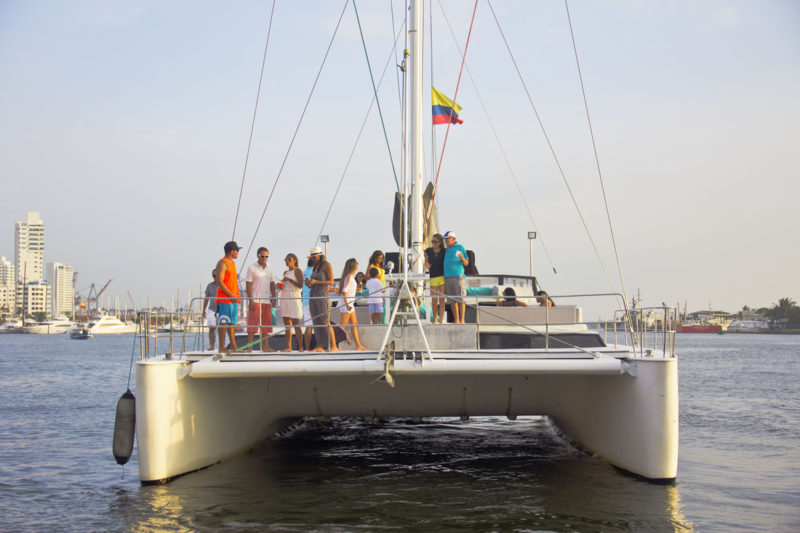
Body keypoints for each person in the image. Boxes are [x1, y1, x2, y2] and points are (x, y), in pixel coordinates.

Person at [306, 247, 337, 352]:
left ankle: (333, 345)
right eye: (312, 257)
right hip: (313, 295)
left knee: (325, 321)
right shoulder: (315, 267)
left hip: (322, 296)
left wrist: (316, 282)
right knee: (316, 321)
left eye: (314, 257)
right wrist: (309, 283)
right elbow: (314, 282)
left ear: (319, 256)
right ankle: (320, 345)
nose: (313, 259)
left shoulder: (326, 265)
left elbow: (331, 281)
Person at [245, 247, 276, 352]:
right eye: (262, 256)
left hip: (267, 300)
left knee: (266, 326)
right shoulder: (251, 268)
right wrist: (250, 300)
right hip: (255, 300)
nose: (264, 258)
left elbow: (272, 283)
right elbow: (248, 285)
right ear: (257, 255)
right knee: (252, 326)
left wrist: (274, 297)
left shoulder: (271, 268)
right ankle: (250, 348)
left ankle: (266, 347)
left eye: (266, 256)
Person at [215, 240, 242, 353]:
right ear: (232, 251)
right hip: (225, 298)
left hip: (233, 299)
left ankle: (234, 347)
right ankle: (222, 347)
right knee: (224, 322)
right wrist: (231, 295)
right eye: (237, 251)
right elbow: (219, 282)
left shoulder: (232, 263)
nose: (238, 253)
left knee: (232, 323)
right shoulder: (222, 263)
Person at [337, 258, 367, 350]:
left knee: (354, 323)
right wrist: (346, 304)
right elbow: (344, 291)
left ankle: (359, 346)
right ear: (353, 265)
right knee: (342, 325)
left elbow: (348, 290)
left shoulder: (349, 276)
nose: (358, 265)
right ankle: (333, 343)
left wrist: (357, 289)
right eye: (357, 263)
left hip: (350, 304)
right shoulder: (349, 277)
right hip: (347, 304)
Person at [279, 253, 304, 352]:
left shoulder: (298, 271)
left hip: (294, 297)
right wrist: (281, 284)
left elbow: (300, 285)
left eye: (289, 260)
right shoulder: (285, 272)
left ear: (294, 260)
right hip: (285, 296)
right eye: (286, 259)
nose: (287, 261)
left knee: (296, 323)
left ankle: (301, 347)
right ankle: (288, 346)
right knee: (287, 323)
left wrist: (289, 279)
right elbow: (283, 285)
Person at [443, 230, 468, 324]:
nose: (446, 241)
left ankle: (462, 320)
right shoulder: (446, 249)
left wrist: (462, 258)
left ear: (453, 239)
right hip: (448, 276)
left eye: (448, 239)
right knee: (452, 299)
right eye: (445, 239)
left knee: (461, 299)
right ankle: (456, 319)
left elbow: (466, 263)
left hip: (458, 276)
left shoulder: (460, 247)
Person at [424, 233, 446, 324]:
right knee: (434, 300)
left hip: (442, 277)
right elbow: (425, 259)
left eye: (435, 242)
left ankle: (441, 320)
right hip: (433, 277)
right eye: (432, 241)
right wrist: (426, 263)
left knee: (442, 300)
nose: (433, 243)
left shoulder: (444, 251)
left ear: (440, 242)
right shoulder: (428, 251)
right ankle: (435, 320)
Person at [202, 270, 218, 350]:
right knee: (211, 328)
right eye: (213, 276)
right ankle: (211, 346)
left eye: (216, 275)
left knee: (223, 328)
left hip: (222, 308)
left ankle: (222, 346)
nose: (215, 277)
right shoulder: (210, 286)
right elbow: (206, 298)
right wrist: (203, 310)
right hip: (212, 308)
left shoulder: (224, 285)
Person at [301, 258, 314, 351]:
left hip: (305, 301)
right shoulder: (315, 272)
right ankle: (320, 346)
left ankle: (307, 348)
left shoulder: (303, 272)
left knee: (308, 326)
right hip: (314, 301)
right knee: (318, 326)